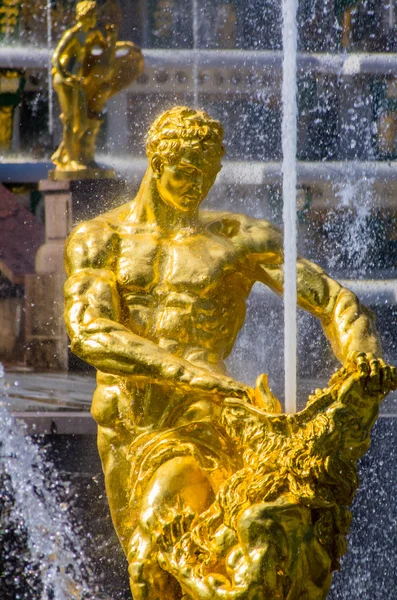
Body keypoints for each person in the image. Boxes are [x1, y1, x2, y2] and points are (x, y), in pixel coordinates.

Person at [64, 106, 389, 599]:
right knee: (150, 574)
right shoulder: (99, 240)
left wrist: (361, 360)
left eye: (208, 175)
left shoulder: (235, 240)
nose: (197, 185)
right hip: (127, 425)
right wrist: (198, 375)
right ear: (156, 160)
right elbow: (89, 332)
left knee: (170, 540)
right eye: (186, 171)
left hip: (202, 420)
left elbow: (332, 299)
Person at [52, 0, 143, 174]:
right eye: (93, 16)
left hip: (77, 80)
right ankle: (70, 159)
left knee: (83, 119)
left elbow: (106, 49)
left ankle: (71, 155)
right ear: (84, 16)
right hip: (65, 81)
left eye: (95, 16)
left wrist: (120, 42)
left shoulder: (90, 35)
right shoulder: (74, 34)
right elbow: (56, 58)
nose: (96, 19)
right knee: (71, 119)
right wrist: (65, 76)